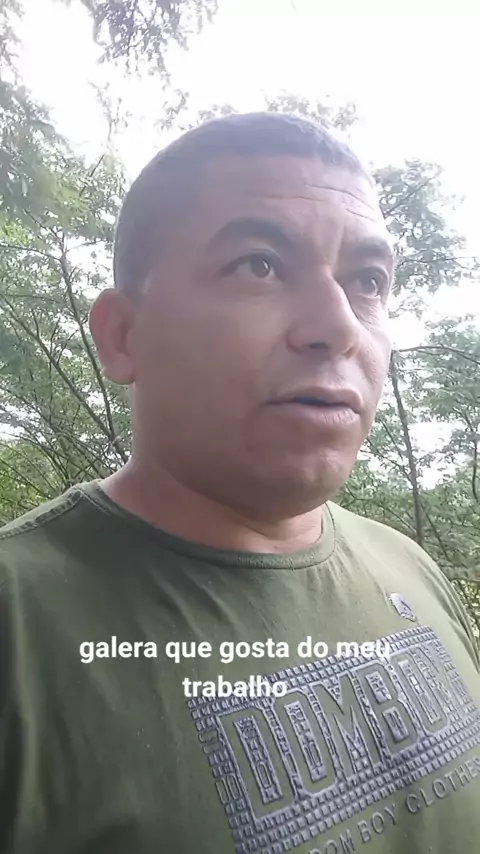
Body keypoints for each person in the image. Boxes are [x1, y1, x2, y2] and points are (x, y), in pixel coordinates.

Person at [0, 112, 479, 854]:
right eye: (259, 265)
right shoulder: (20, 627)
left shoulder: (409, 566)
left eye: (368, 282)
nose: (338, 325)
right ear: (123, 335)